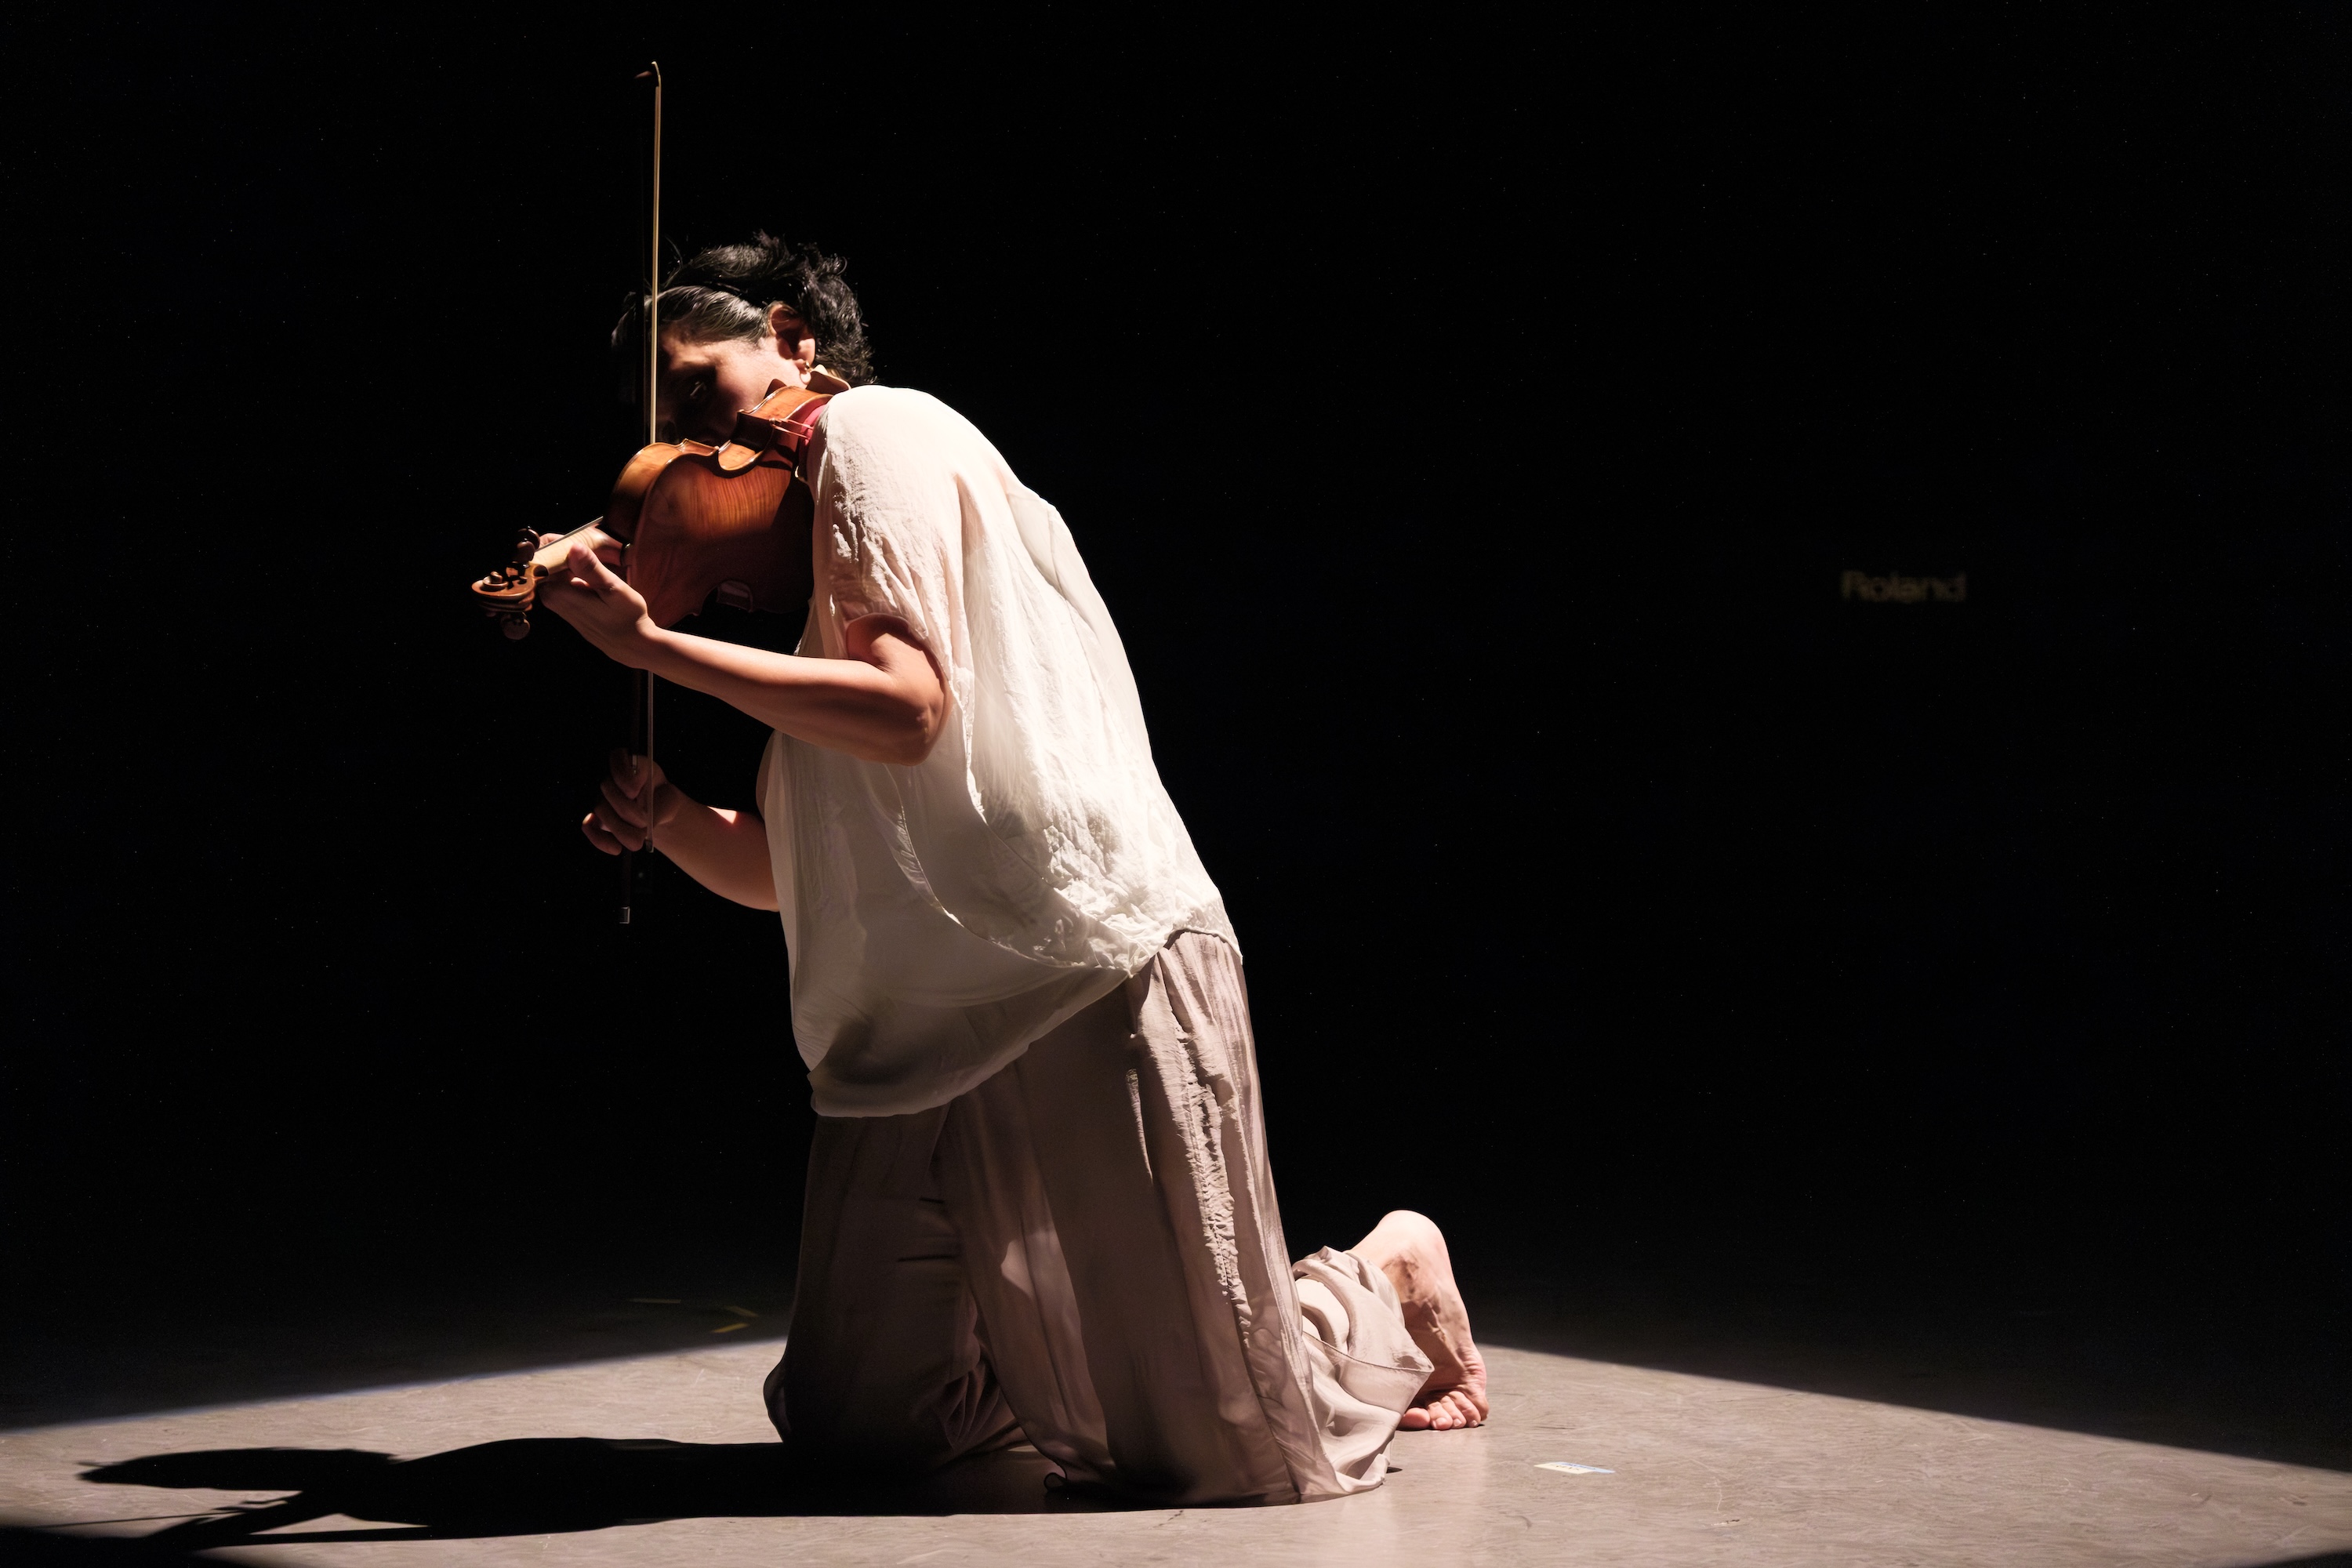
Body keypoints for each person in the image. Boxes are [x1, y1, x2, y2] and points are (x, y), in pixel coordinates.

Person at [542, 234, 1488, 1504]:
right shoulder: (811, 609)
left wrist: (656, 647)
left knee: (1232, 1445)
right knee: (868, 1433)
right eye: (656, 422)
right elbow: (800, 878)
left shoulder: (878, 429)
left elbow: (909, 708)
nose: (678, 451)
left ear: (791, 340)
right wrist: (674, 822)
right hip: (911, 1028)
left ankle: (1380, 1275)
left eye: (696, 388)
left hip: (1074, 961)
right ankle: (1084, 1351)